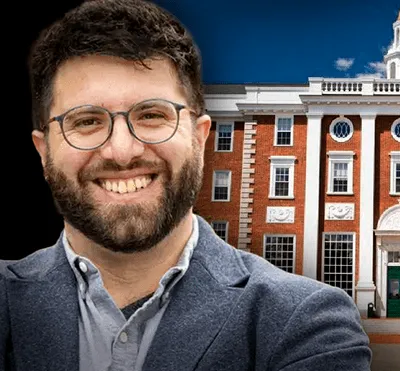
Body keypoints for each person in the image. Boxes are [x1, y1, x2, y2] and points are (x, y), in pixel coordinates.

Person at [0, 0, 372, 370]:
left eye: (151, 115)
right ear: (43, 151)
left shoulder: (305, 320)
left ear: (199, 138)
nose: (122, 150)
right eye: (86, 121)